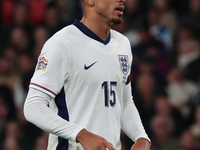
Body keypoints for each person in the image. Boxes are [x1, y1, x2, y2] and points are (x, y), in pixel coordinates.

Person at [23, 0, 151, 150]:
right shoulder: (61, 44)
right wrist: (81, 134)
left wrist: (141, 136)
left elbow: (125, 101)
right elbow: (33, 106)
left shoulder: (123, 44)